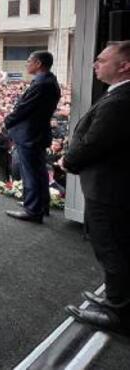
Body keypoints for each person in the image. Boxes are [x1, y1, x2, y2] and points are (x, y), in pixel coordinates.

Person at [62, 41, 130, 334]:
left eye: (102, 60)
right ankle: (118, 299)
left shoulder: (120, 101)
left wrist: (68, 161)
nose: (95, 64)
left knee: (111, 247)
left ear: (124, 66)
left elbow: (95, 142)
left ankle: (119, 313)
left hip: (109, 188)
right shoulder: (119, 96)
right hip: (113, 185)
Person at [3, 51, 61, 223]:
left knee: (30, 173)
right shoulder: (49, 80)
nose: (26, 64)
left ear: (38, 63)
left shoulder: (41, 84)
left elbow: (23, 109)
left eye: (28, 61)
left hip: (30, 134)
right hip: (37, 133)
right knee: (39, 171)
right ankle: (41, 204)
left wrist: (7, 121)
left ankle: (33, 210)